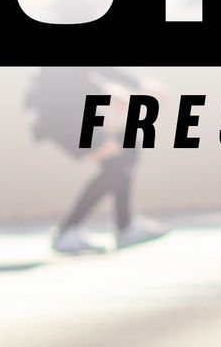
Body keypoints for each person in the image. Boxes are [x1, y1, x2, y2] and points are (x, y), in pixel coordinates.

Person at [24, 67, 170, 254]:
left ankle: (125, 227)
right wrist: (128, 88)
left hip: (69, 108)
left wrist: (120, 89)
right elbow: (69, 77)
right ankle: (68, 232)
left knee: (127, 142)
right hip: (58, 114)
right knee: (116, 165)